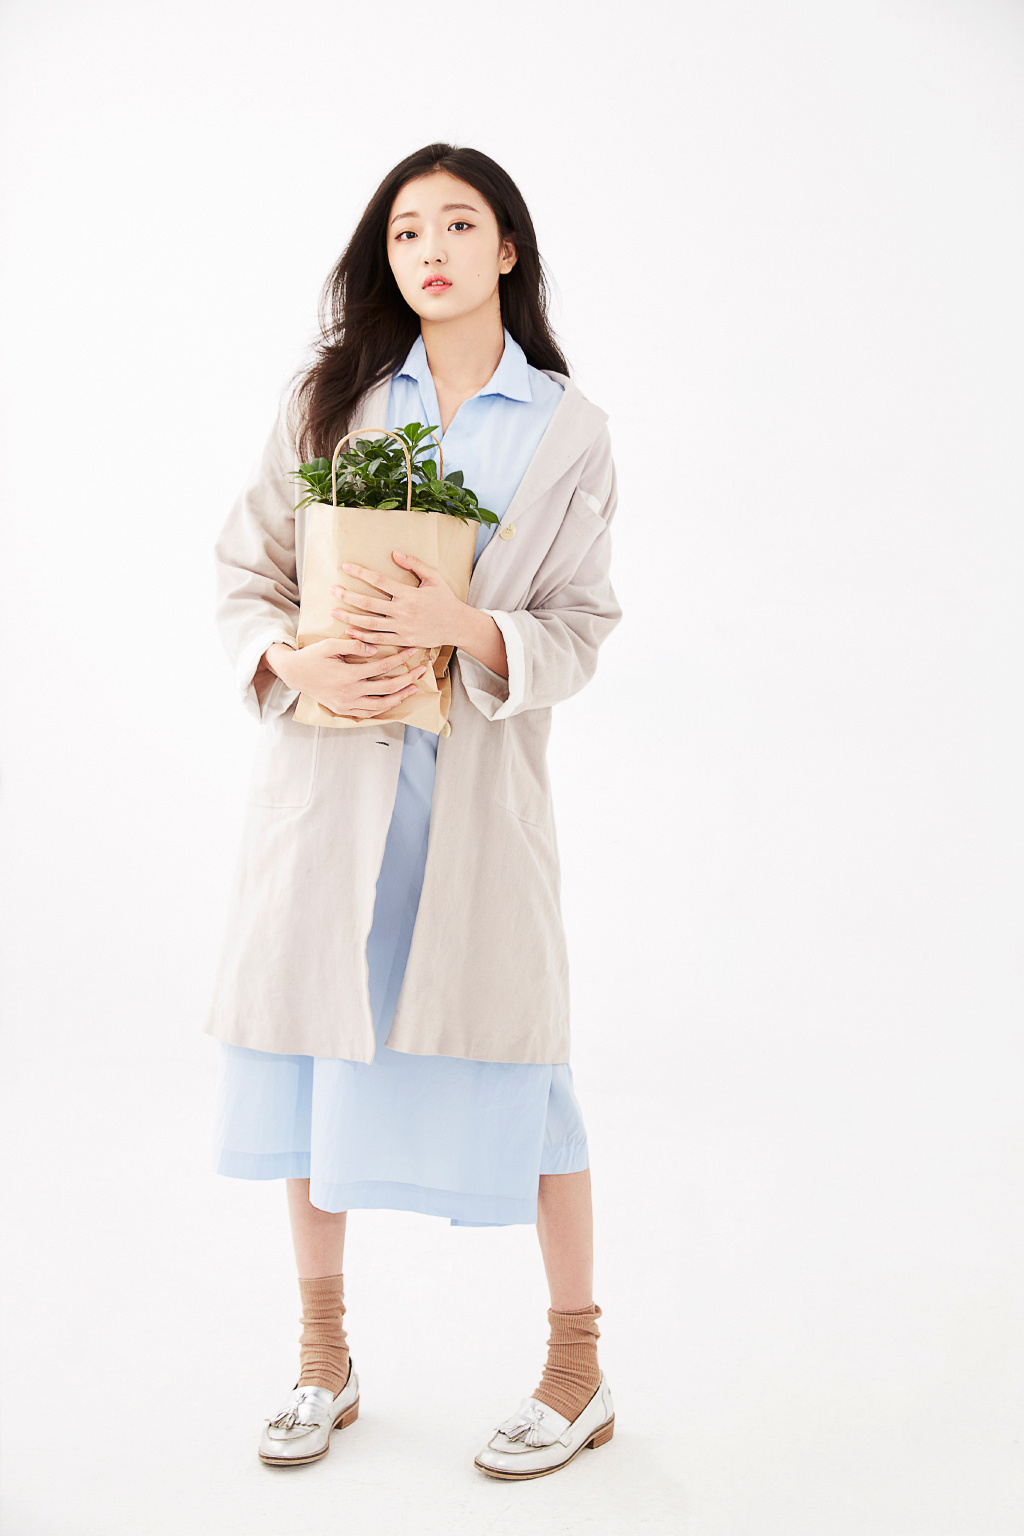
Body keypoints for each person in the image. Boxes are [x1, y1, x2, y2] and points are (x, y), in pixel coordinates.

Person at [205, 142, 623, 1480]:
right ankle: (322, 1361)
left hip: (476, 806)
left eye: (457, 224)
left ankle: (577, 1373)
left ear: (508, 248)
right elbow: (247, 575)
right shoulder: (330, 399)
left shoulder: (566, 429)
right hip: (331, 794)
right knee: (313, 1057)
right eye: (404, 232)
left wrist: (467, 625)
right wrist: (294, 663)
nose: (429, 250)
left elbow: (582, 626)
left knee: (529, 1074)